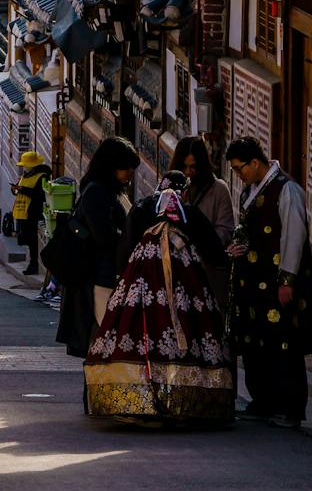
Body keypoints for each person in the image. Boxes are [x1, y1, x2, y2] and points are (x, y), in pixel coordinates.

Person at [85, 172, 234, 425]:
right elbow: (213, 250)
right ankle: (187, 403)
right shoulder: (190, 213)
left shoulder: (143, 208)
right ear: (184, 191)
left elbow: (125, 247)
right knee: (187, 335)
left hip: (143, 285)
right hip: (186, 287)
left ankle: (141, 400)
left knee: (141, 336)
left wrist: (124, 277)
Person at [225, 136, 312, 429]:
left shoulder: (286, 190)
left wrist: (287, 280)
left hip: (278, 283)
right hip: (253, 284)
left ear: (256, 162)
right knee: (256, 344)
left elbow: (293, 236)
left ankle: (289, 408)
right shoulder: (249, 191)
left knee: (284, 345)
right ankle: (262, 401)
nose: (239, 175)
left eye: (241, 168)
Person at [56, 136, 139, 359]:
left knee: (104, 343)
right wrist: (132, 239)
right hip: (98, 278)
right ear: (112, 167)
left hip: (105, 276)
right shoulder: (97, 193)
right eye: (126, 168)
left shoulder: (109, 192)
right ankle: (93, 393)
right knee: (103, 343)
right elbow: (104, 236)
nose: (130, 173)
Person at [169, 136, 235, 302]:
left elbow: (225, 230)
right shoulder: (169, 189)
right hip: (178, 272)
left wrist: (200, 243)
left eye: (193, 167)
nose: (188, 172)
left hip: (208, 273)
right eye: (184, 167)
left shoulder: (218, 189)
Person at [12, 150, 51, 276]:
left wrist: (22, 189)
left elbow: (40, 195)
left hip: (33, 212)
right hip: (23, 212)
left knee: (32, 240)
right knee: (28, 240)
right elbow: (20, 189)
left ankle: (33, 265)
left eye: (25, 165)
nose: (24, 167)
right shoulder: (26, 175)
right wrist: (16, 189)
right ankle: (32, 264)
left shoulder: (42, 176)